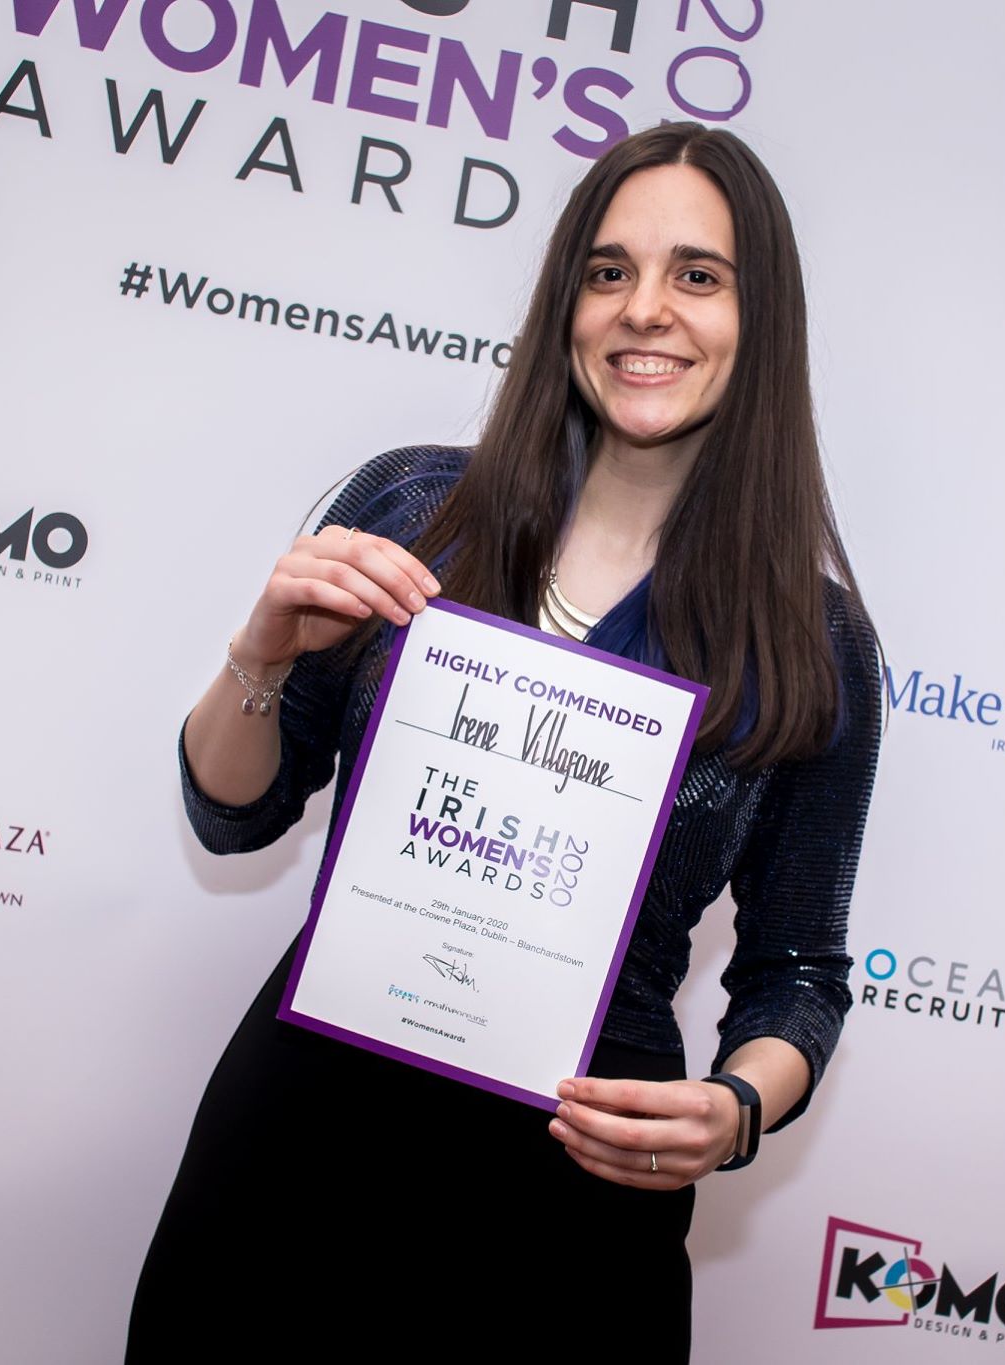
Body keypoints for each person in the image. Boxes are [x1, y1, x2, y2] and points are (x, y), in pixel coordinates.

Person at [127, 122, 881, 1360]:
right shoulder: (418, 508)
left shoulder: (811, 639)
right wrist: (258, 656)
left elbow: (798, 968)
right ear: (563, 303)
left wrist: (736, 1108)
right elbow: (236, 814)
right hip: (308, 1135)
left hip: (573, 1190)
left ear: (762, 320)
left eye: (697, 275)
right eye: (606, 271)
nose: (645, 311)